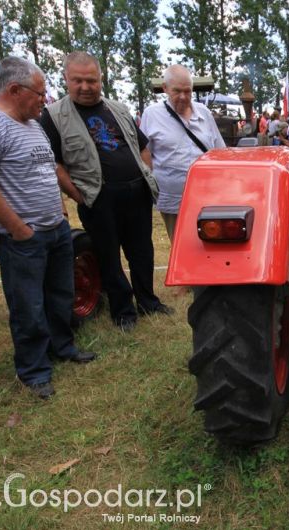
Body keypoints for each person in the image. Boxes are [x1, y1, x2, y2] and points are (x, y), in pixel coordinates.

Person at [0, 57, 96, 399]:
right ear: (15, 90)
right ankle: (34, 370)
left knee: (60, 294)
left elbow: (47, 172)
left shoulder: (34, 126)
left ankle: (62, 347)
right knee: (27, 306)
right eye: (39, 92)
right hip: (21, 237)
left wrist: (61, 213)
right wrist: (19, 229)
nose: (44, 99)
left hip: (55, 230)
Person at [40, 51, 172, 333]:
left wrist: (146, 175)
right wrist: (78, 195)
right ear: (66, 79)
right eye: (78, 81)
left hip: (136, 192)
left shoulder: (118, 108)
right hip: (98, 198)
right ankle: (123, 311)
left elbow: (143, 146)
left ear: (101, 79)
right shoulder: (53, 116)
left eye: (92, 80)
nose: (86, 87)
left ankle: (148, 301)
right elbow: (55, 163)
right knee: (108, 255)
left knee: (142, 252)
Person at [139, 64, 225, 240]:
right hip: (173, 199)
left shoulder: (204, 112)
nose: (183, 97)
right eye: (177, 91)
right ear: (165, 88)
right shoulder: (152, 114)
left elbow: (219, 150)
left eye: (188, 91)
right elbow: (145, 154)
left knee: (212, 242)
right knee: (181, 244)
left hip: (208, 197)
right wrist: (151, 187)